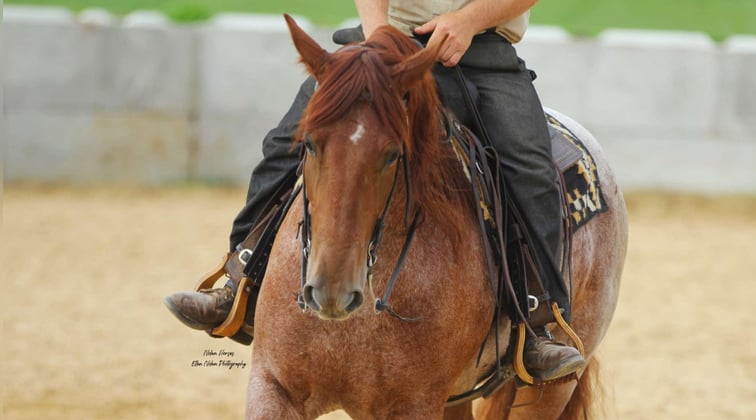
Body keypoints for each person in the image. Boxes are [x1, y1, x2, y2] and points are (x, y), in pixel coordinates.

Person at [165, 0, 585, 381]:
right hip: (382, 40)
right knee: (283, 146)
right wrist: (378, 31)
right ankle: (239, 285)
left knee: (528, 168)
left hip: (478, 49)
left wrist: (468, 20)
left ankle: (538, 321)